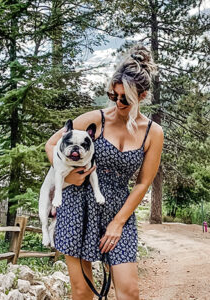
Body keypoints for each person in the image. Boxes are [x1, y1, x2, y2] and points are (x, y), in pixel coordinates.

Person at [44, 44, 164, 300]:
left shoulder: (152, 132)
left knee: (129, 291)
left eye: (125, 98)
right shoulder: (96, 119)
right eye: (114, 95)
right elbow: (52, 144)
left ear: (142, 97)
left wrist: (118, 223)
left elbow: (143, 183)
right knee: (82, 291)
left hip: (119, 211)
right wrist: (66, 175)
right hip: (78, 206)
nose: (118, 103)